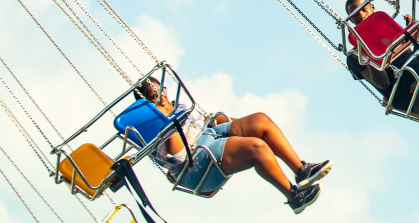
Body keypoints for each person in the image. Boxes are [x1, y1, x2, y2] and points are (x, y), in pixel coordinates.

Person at [136, 77, 331, 214]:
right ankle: (295, 197)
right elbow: (178, 156)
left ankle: (301, 170)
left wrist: (245, 125)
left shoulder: (179, 106)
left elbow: (206, 121)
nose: (162, 97)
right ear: (147, 104)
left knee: (261, 121)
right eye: (154, 96)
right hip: (195, 163)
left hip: (211, 135)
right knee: (256, 147)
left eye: (161, 90)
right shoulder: (152, 128)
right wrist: (165, 120)